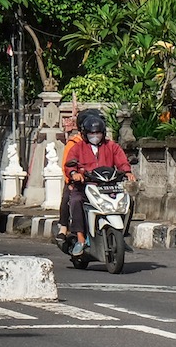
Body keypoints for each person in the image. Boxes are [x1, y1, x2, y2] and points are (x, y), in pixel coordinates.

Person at [65, 113, 135, 256]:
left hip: (108, 186)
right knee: (76, 200)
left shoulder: (111, 146)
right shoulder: (78, 147)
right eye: (91, 133)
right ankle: (80, 239)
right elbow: (69, 164)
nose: (95, 136)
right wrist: (74, 174)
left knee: (129, 202)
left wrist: (127, 172)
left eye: (97, 133)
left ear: (102, 133)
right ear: (85, 134)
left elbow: (121, 161)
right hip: (85, 185)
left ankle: (122, 235)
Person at [56, 109, 103, 241]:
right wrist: (71, 178)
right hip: (80, 181)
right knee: (69, 196)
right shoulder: (74, 144)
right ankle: (64, 227)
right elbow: (67, 164)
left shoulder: (106, 144)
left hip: (99, 182)